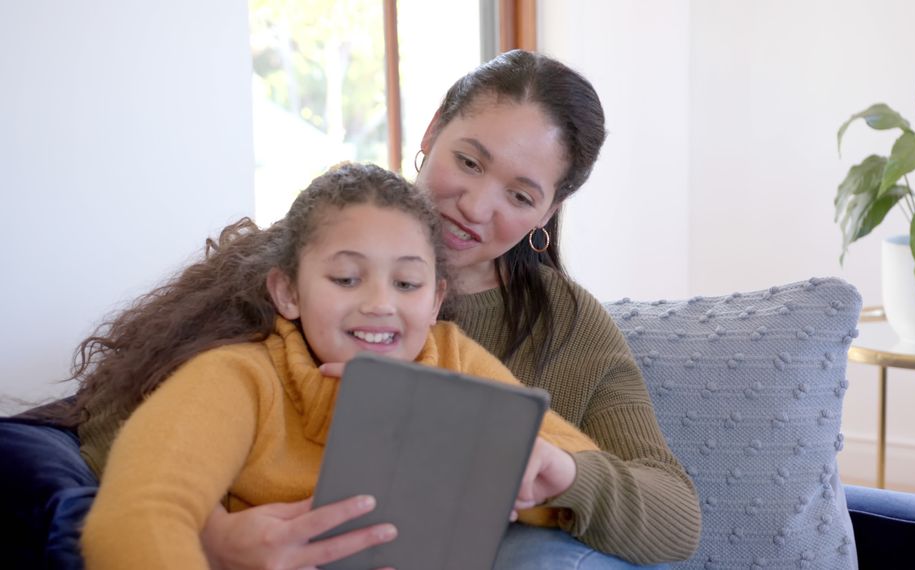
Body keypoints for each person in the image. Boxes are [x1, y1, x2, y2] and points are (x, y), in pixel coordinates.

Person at [0, 49, 701, 569]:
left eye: (521, 195)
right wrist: (214, 538)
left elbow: (673, 515)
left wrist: (564, 471)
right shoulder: (289, 274)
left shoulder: (530, 338)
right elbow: (130, 449)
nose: (476, 204)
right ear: (431, 132)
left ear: (548, 212)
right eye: (469, 161)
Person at [78, 162, 602, 568]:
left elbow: (581, 473)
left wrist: (553, 475)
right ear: (287, 292)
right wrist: (212, 544)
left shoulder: (453, 360)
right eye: (347, 279)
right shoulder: (239, 378)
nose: (380, 304)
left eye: (407, 283)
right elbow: (138, 516)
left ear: (436, 298)